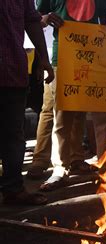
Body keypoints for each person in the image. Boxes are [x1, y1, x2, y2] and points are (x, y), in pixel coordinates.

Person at [33, 0, 106, 191]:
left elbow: (104, 22)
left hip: (95, 55)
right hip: (63, 57)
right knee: (61, 114)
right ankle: (60, 168)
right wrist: (44, 18)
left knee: (94, 112)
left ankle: (103, 166)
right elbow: (35, 17)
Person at [0, 0, 54, 205]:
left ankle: (13, 189)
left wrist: (44, 59)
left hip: (13, 71)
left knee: (14, 134)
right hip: (12, 72)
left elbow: (31, 21)